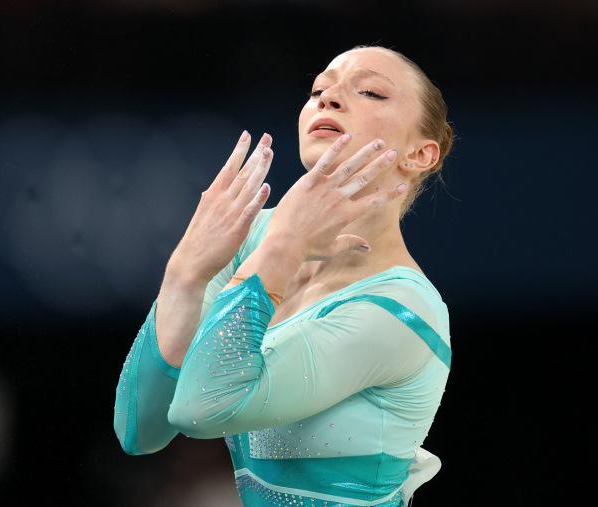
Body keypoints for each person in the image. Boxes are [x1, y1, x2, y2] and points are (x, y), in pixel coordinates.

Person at [114, 45, 453, 507]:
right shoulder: (254, 237)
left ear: (420, 155)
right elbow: (140, 430)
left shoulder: (403, 312)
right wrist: (184, 274)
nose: (328, 97)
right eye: (319, 89)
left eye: (371, 91)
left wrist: (282, 247)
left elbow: (200, 410)